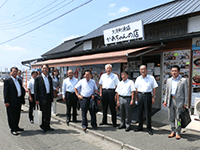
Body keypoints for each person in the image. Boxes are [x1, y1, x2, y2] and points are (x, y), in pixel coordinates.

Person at [163, 65, 188, 140]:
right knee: (171, 117)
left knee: (178, 118)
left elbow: (186, 92)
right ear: (171, 72)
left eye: (175, 71)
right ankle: (172, 130)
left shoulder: (183, 80)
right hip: (171, 100)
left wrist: (185, 103)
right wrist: (165, 100)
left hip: (179, 101)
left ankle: (178, 132)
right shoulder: (169, 80)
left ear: (178, 72)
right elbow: (167, 91)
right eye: (172, 71)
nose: (174, 72)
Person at [134, 65, 158, 135]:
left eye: (144, 69)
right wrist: (136, 98)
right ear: (140, 71)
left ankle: (149, 128)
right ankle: (140, 126)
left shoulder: (151, 78)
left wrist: (153, 97)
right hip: (140, 95)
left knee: (148, 112)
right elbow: (136, 89)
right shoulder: (138, 78)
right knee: (139, 112)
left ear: (146, 70)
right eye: (141, 69)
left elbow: (154, 88)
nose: (143, 71)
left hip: (148, 95)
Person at [3, 67, 25, 135]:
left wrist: (22, 100)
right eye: (14, 71)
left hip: (18, 100)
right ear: (11, 72)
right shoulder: (8, 80)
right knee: (11, 115)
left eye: (16, 71)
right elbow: (5, 92)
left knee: (17, 115)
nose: (15, 73)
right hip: (11, 101)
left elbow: (21, 89)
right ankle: (13, 129)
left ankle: (16, 126)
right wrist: (6, 101)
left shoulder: (19, 80)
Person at [34, 64, 54, 133]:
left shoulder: (49, 78)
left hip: (48, 97)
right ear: (41, 69)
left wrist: (52, 96)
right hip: (41, 98)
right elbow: (36, 90)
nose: (45, 69)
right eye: (44, 68)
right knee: (43, 113)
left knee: (48, 113)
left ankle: (48, 125)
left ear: (48, 69)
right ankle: (43, 126)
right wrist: (36, 99)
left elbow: (51, 88)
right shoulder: (38, 78)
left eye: (46, 68)